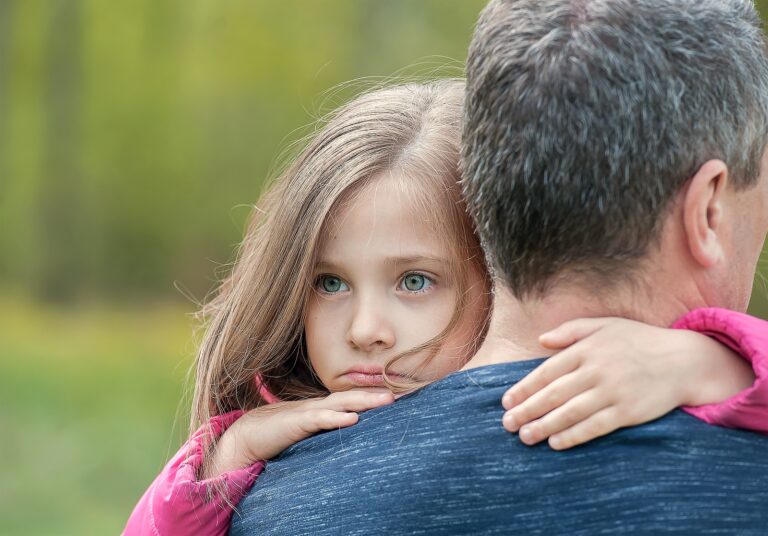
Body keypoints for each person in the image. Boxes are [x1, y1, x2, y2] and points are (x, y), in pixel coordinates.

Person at [125, 79, 768, 535]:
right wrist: (222, 462)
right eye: (329, 284)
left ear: (500, 272)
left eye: (414, 282)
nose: (367, 331)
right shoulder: (254, 462)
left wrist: (712, 361)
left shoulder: (612, 370)